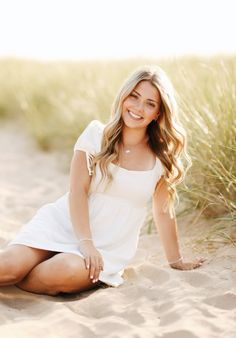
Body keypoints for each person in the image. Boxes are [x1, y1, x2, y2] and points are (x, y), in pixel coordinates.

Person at [0, 65, 206, 296]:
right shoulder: (95, 135)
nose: (138, 108)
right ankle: (19, 270)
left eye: (150, 103)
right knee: (9, 267)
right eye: (134, 97)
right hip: (65, 225)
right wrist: (85, 241)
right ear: (123, 96)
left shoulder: (161, 159)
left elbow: (163, 212)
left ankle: (23, 276)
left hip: (107, 247)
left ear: (158, 112)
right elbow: (77, 190)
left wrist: (176, 260)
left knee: (63, 270)